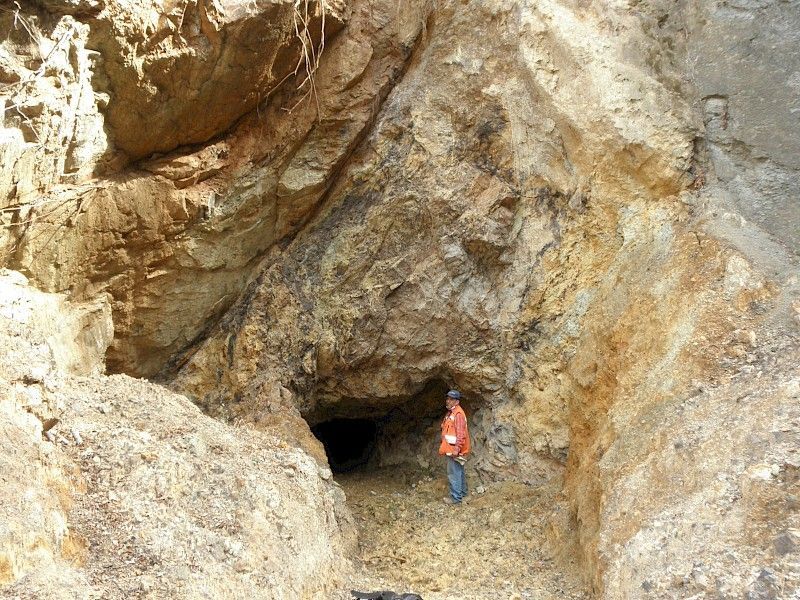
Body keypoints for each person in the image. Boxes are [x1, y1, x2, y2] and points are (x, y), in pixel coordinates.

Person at [438, 389, 470, 505]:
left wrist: (457, 449)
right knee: (459, 471)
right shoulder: (451, 413)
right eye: (447, 398)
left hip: (454, 450)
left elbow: (461, 434)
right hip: (451, 448)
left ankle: (456, 499)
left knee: (453, 473)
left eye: (451, 399)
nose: (448, 401)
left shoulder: (458, 414)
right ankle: (463, 493)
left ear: (457, 401)